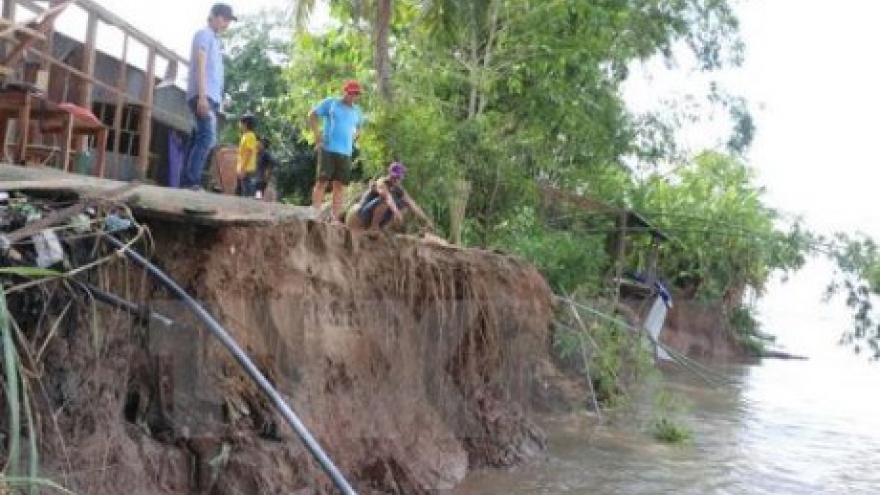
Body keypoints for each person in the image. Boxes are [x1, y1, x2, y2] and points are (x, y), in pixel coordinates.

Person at [180, 3, 237, 190]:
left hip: (208, 96)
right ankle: (191, 181)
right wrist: (203, 96)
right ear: (217, 16)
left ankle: (185, 182)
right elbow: (201, 63)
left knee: (198, 137)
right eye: (226, 20)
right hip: (202, 95)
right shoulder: (204, 34)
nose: (227, 24)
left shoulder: (213, 39)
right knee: (207, 137)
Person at [308, 80, 364, 222]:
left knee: (340, 186)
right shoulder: (331, 103)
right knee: (322, 182)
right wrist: (317, 137)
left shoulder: (358, 111)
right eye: (351, 92)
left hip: (345, 152)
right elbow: (312, 115)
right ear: (345, 91)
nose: (353, 95)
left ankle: (334, 218)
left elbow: (359, 128)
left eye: (356, 93)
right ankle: (315, 214)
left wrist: (353, 140)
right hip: (328, 148)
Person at [345, 162, 435, 232]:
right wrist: (396, 212)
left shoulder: (398, 189)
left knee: (404, 204)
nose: (396, 180)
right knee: (384, 200)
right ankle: (373, 228)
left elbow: (412, 203)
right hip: (362, 213)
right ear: (390, 174)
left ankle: (385, 228)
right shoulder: (381, 182)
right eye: (394, 177)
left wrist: (426, 220)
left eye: (398, 178)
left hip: (373, 214)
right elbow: (387, 197)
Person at [236, 114, 258, 197]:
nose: (239, 125)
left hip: (247, 168)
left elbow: (249, 153)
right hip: (243, 167)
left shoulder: (250, 135)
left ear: (245, 124)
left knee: (247, 192)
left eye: (240, 123)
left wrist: (243, 168)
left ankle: (248, 208)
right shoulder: (245, 136)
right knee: (241, 191)